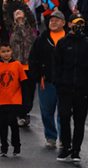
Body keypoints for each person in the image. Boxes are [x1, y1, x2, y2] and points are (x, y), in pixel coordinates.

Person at [53, 13, 88, 162]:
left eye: (81, 24)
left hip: (81, 89)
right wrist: (58, 83)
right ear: (70, 24)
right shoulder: (62, 43)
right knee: (64, 117)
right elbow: (57, 65)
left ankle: (76, 150)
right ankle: (65, 147)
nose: (79, 27)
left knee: (80, 120)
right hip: (65, 88)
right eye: (76, 23)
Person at [28, 11, 66, 148]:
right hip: (46, 82)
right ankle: (50, 137)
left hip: (64, 83)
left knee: (63, 111)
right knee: (47, 111)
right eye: (51, 20)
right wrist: (37, 77)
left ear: (64, 23)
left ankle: (64, 138)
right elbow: (32, 59)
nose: (53, 22)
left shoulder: (69, 38)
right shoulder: (41, 39)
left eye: (57, 20)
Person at [0, 44, 26, 157]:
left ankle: (16, 145)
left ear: (11, 51)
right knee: (2, 125)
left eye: (8, 51)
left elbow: (24, 82)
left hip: (15, 100)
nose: (6, 53)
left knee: (12, 122)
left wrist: (25, 101)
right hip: (1, 100)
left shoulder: (17, 65)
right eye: (3, 51)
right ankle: (3, 146)